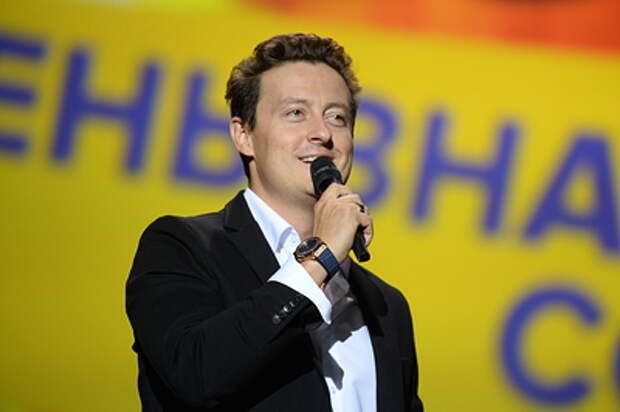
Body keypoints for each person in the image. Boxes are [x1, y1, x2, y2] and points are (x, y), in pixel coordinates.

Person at [126, 33, 423, 412]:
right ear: (243, 135)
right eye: (296, 113)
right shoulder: (181, 247)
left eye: (337, 117)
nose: (322, 133)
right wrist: (321, 257)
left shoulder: (386, 305)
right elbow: (196, 374)